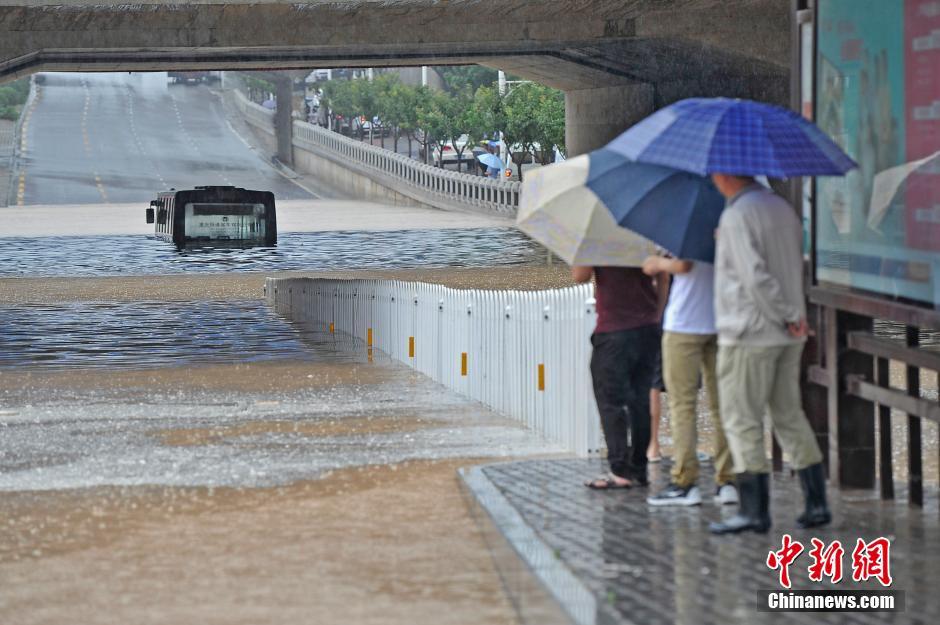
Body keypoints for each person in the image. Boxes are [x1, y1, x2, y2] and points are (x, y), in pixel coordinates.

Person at [707, 175, 830, 534]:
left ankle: (753, 510)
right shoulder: (782, 209)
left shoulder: (736, 217)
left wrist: (785, 315)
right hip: (788, 334)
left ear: (726, 174)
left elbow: (755, 277)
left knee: (741, 418)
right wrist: (794, 318)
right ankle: (817, 503)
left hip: (750, 332)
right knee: (788, 415)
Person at [641, 255, 737, 507]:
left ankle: (685, 482)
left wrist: (656, 263)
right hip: (720, 320)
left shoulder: (681, 228)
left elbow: (684, 265)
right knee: (723, 406)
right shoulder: (726, 224)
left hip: (683, 324)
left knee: (682, 405)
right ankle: (727, 481)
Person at [573, 265, 668, 489]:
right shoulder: (645, 233)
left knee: (610, 401)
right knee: (640, 400)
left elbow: (580, 275)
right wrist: (657, 313)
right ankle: (639, 468)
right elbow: (663, 276)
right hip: (647, 328)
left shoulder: (597, 237)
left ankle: (619, 469)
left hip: (613, 330)